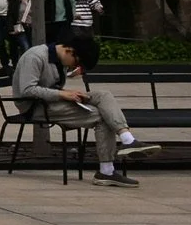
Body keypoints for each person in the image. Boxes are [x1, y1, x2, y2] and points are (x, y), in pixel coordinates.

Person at [13, 33, 157, 185]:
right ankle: (106, 171)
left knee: (103, 95)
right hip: (34, 107)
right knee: (101, 117)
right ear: (69, 50)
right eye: (77, 63)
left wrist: (71, 95)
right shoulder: (35, 57)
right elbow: (27, 90)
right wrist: (62, 94)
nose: (75, 67)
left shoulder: (60, 59)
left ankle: (127, 139)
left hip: (51, 102)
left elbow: (51, 88)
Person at [67, 0, 106, 69]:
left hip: (87, 23)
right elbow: (65, 8)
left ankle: (85, 64)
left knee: (88, 44)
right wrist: (73, 15)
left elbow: (94, 2)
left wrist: (99, 8)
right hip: (75, 23)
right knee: (77, 44)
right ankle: (75, 64)